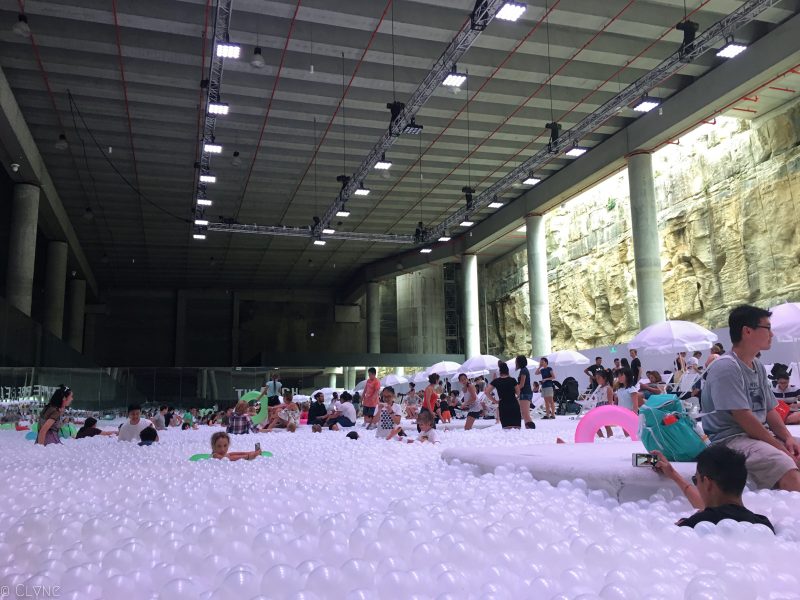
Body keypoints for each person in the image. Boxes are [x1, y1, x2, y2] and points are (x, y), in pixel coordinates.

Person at [701, 304, 800, 491]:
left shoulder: (758, 366)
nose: (772, 334)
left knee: (794, 451)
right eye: (767, 329)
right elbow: (744, 418)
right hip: (730, 440)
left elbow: (770, 410)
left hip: (755, 435)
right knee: (785, 465)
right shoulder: (726, 368)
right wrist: (779, 448)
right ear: (747, 331)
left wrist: (787, 438)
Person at [651, 446, 774, 533]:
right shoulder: (763, 525)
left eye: (696, 480)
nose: (697, 486)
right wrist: (674, 475)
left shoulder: (695, 525)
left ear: (708, 483)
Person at [484, 363, 521, 429]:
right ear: (508, 371)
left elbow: (487, 392)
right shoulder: (512, 380)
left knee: (506, 428)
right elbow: (518, 392)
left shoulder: (496, 381)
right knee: (516, 428)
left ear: (500, 372)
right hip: (513, 403)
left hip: (503, 404)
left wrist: (495, 401)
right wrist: (515, 398)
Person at [587, 369, 614, 438]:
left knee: (606, 425)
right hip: (598, 407)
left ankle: (610, 438)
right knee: (595, 425)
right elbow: (597, 398)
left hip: (605, 408)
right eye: (596, 378)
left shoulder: (608, 388)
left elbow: (610, 402)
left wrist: (610, 412)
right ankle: (602, 438)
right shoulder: (598, 388)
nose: (597, 380)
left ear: (604, 378)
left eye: (599, 378)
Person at [515, 356, 535, 429]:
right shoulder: (524, 370)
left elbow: (522, 384)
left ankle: (531, 428)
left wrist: (514, 390)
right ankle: (528, 427)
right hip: (525, 392)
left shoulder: (523, 371)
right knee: (524, 413)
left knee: (525, 413)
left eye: (516, 361)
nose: (515, 363)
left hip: (525, 393)